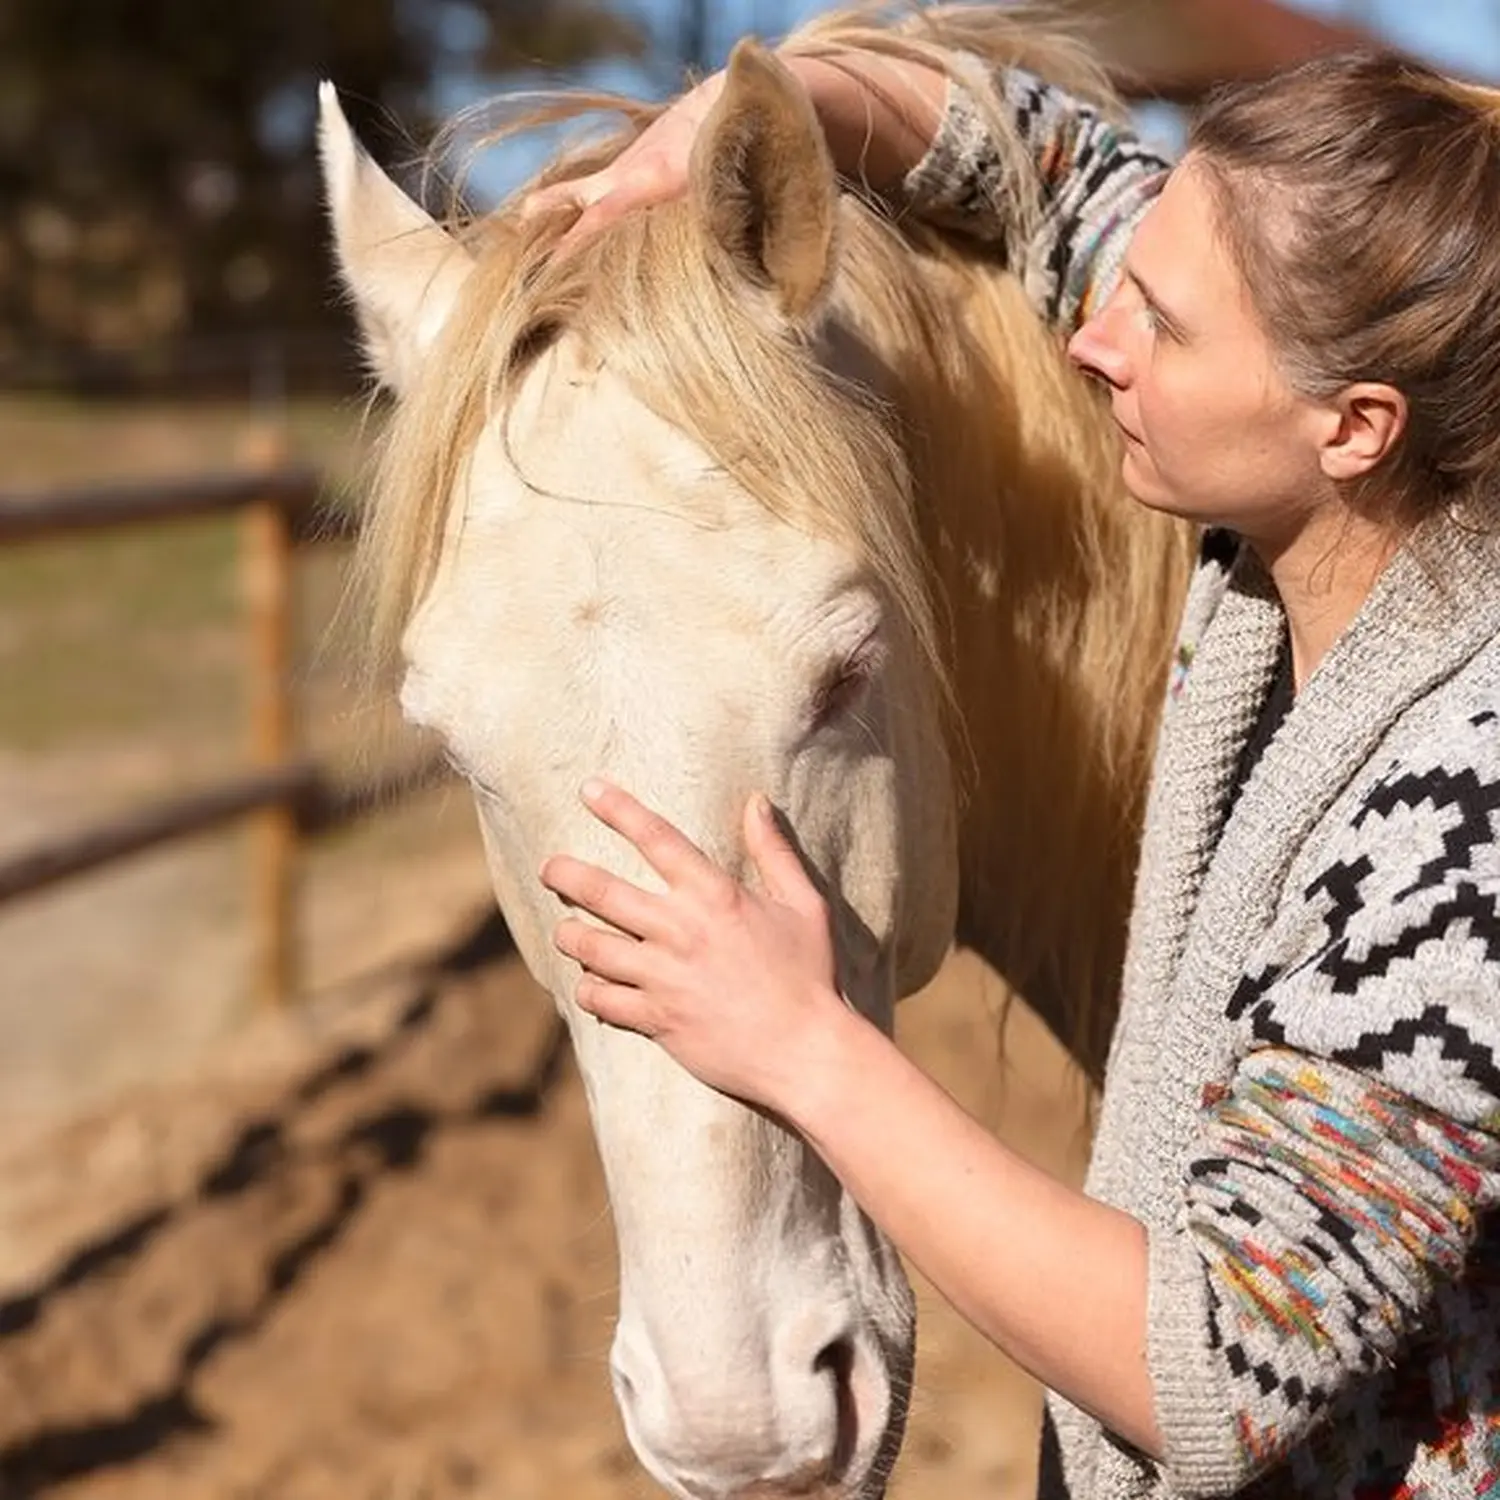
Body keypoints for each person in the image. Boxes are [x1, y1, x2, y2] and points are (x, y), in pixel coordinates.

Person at [532, 19, 1500, 1499]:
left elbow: (1221, 1365)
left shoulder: (1468, 809)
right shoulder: (1319, 504)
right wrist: (751, 111)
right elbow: (1036, 162)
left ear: (1355, 426)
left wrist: (805, 1048)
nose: (1093, 339)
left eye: (1163, 329)